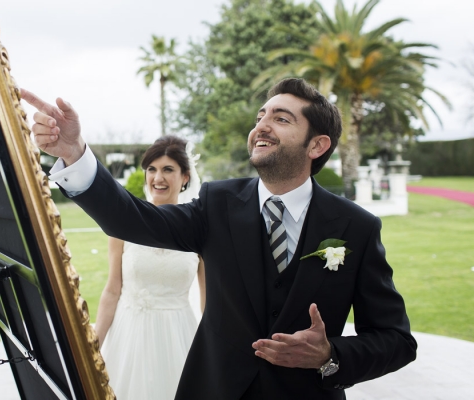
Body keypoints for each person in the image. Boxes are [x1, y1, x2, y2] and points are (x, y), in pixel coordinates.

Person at [21, 77, 417, 400]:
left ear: (317, 145)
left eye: (281, 118)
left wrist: (330, 355)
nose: (261, 125)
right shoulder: (217, 203)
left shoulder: (357, 228)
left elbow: (396, 340)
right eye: (261, 115)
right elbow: (133, 218)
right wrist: (74, 153)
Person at [93, 135, 206, 400]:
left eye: (168, 169)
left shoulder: (200, 231)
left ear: (185, 177)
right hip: (129, 336)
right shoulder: (123, 225)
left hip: (179, 336)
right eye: (152, 169)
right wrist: (95, 342)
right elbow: (112, 290)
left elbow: (207, 304)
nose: (158, 178)